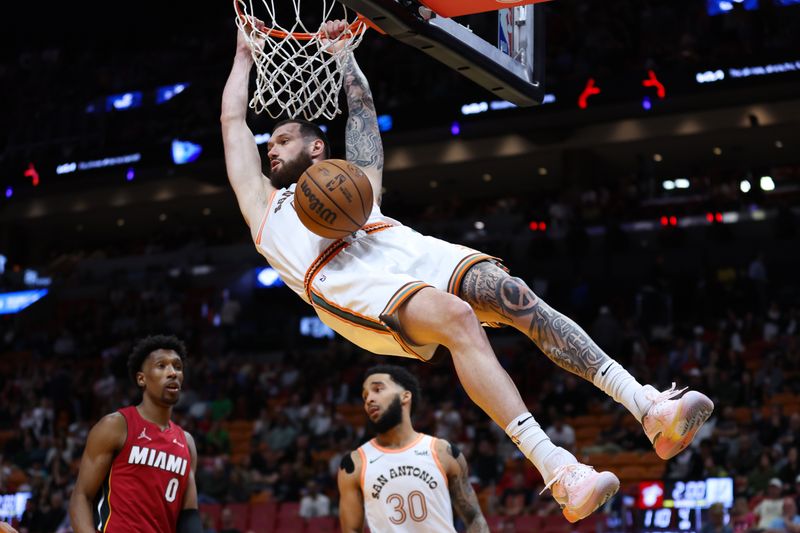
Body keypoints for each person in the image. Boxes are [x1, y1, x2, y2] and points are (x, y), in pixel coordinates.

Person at [221, 17, 714, 522]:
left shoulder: (355, 182)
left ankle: (648, 408)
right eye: (270, 144)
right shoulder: (265, 205)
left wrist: (346, 56)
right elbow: (233, 125)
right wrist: (244, 53)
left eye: (281, 140)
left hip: (395, 240)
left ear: (316, 147)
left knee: (512, 293)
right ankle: (559, 470)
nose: (270, 149)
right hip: (343, 280)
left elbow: (363, 116)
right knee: (456, 316)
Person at [68, 335, 202, 533]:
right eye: (161, 365)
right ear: (142, 378)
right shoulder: (116, 426)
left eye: (177, 366)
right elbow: (81, 497)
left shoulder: (187, 443)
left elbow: (188, 516)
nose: (172, 372)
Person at [337, 365, 489, 532]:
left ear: (405, 396)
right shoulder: (355, 463)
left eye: (377, 389)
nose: (369, 399)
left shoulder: (442, 452)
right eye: (365, 396)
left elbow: (474, 517)